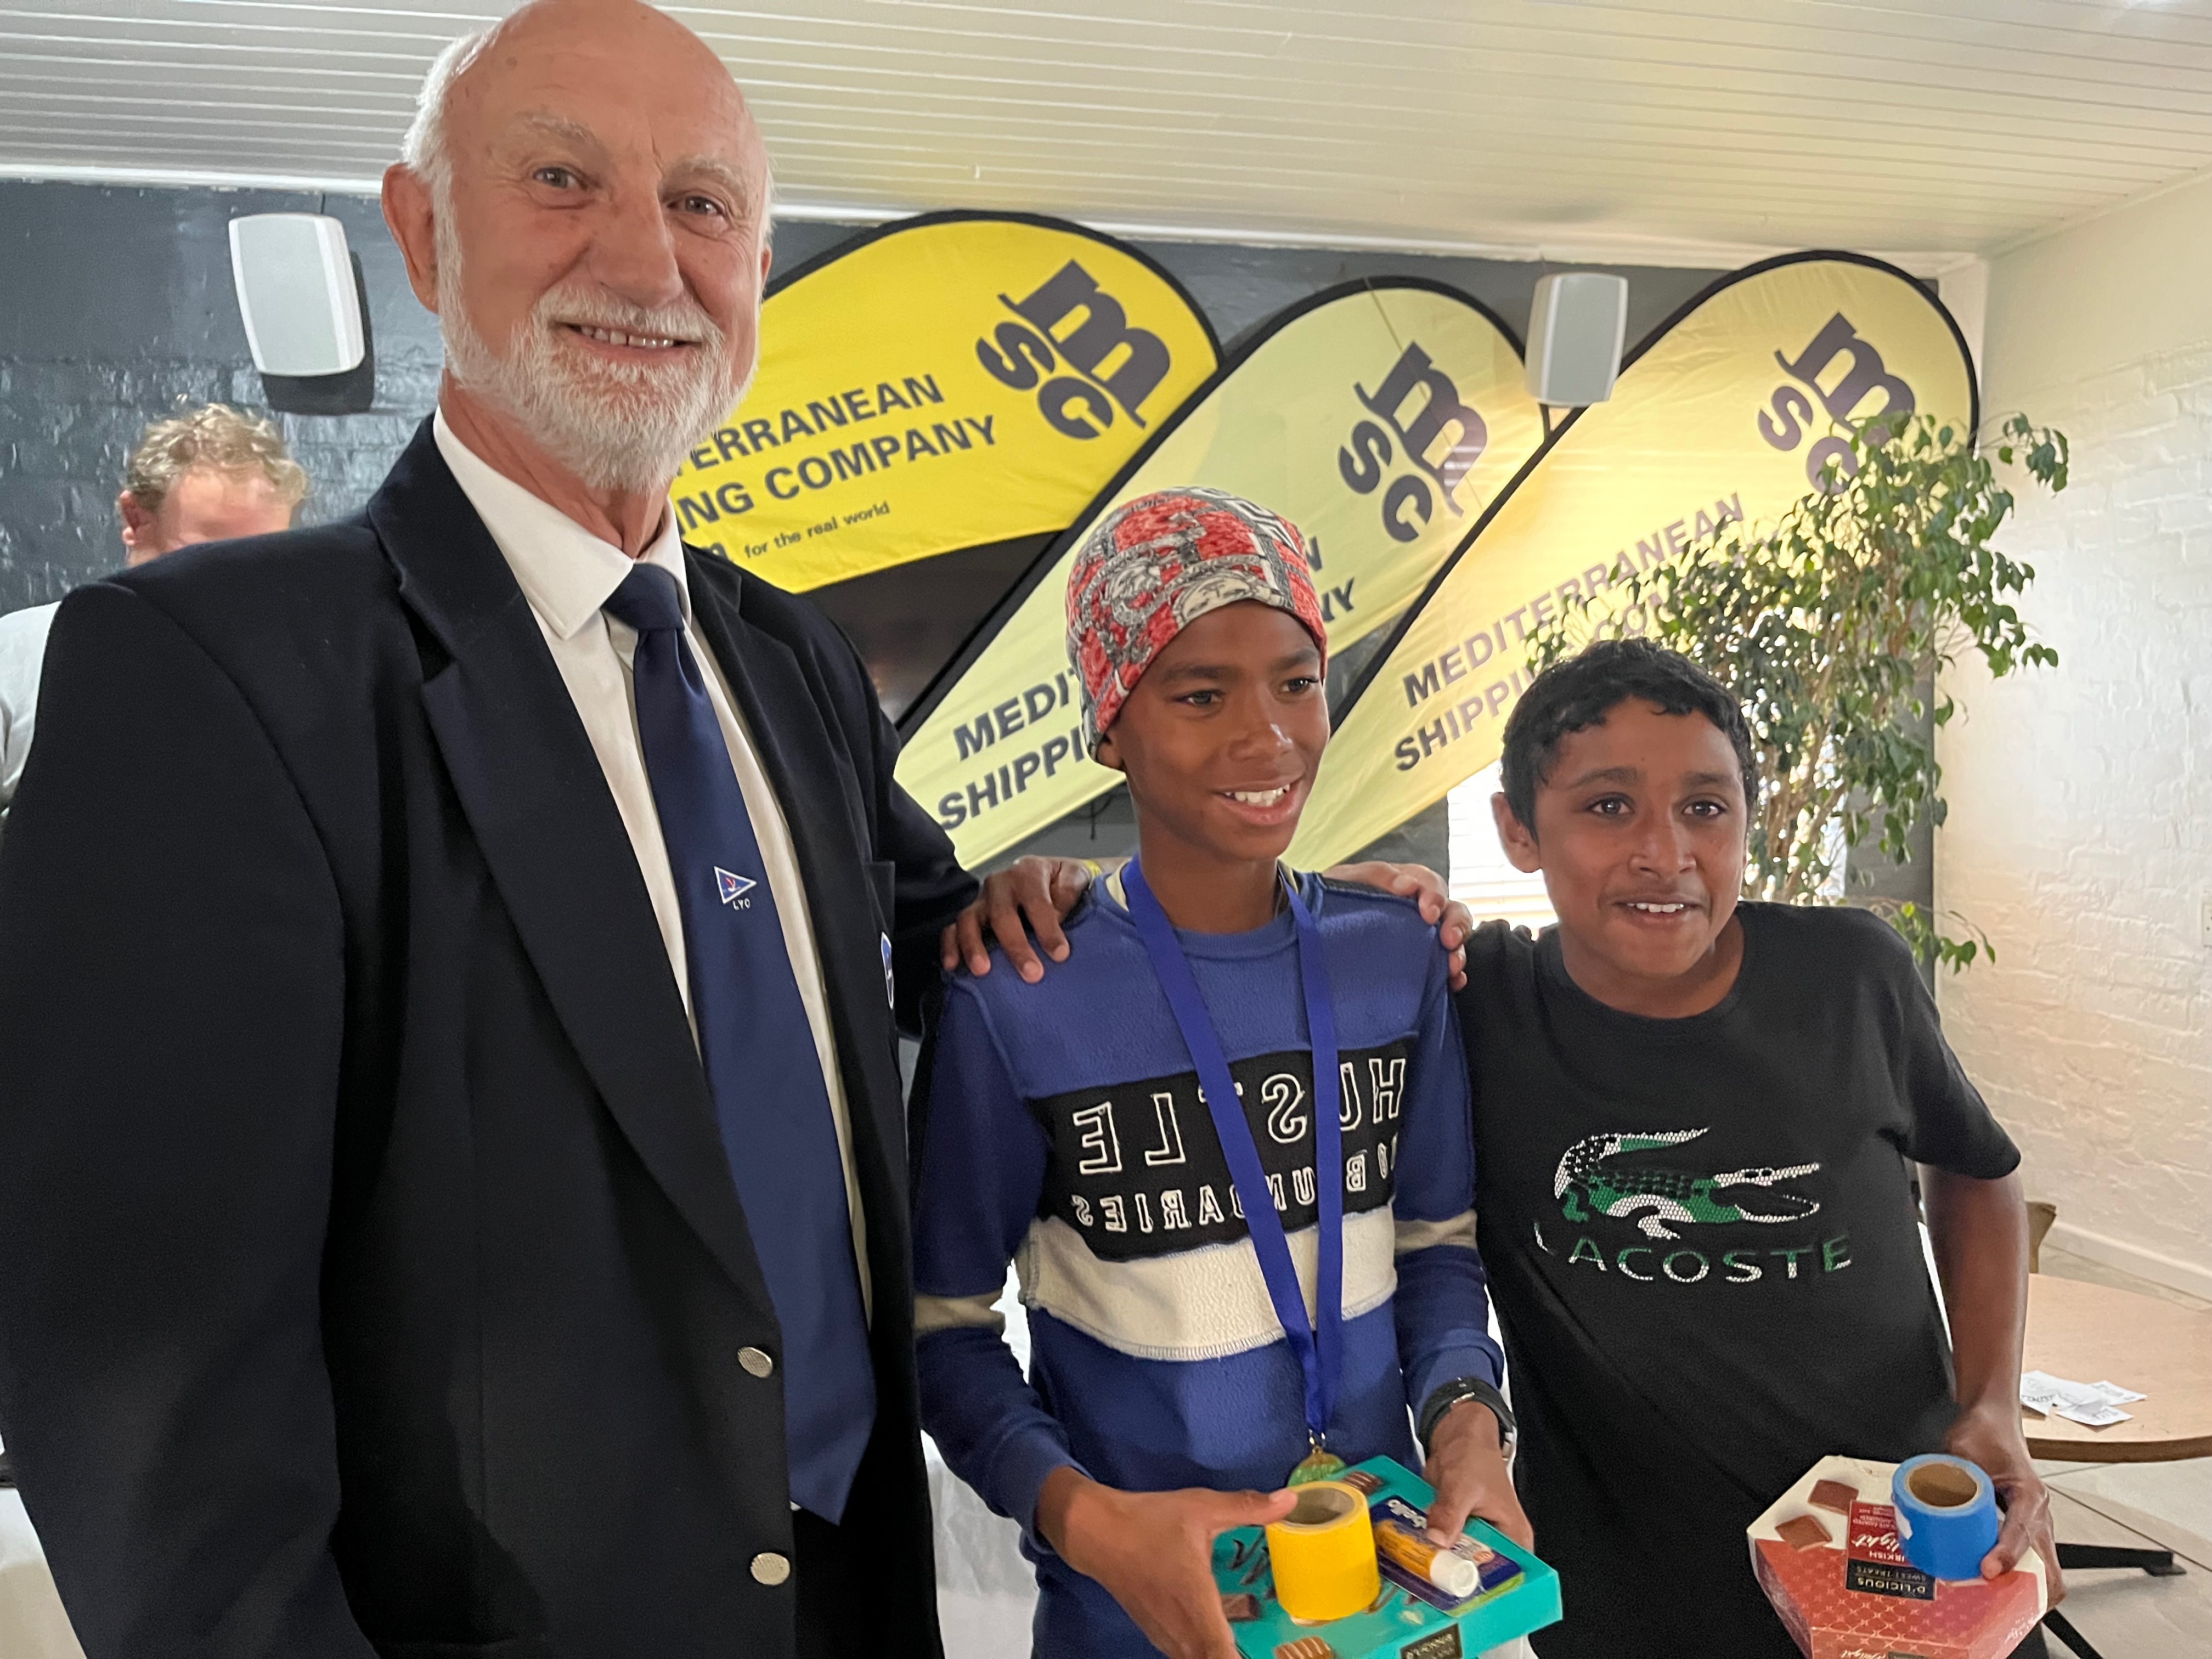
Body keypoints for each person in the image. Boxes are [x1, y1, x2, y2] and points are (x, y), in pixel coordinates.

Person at [0, 8, 1467, 1656]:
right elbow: (145, 1399)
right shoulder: (216, 678)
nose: (647, 260)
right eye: (563, 180)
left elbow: (945, 930)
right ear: (421, 231)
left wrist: (1263, 909)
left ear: (756, 268)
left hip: (853, 1598)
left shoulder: (785, 664)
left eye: (701, 204)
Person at [911, 489, 1529, 1659]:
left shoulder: (1394, 959)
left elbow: (1437, 1248)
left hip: (1385, 1596)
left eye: (1297, 682)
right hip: (1134, 1619)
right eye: (1201, 695)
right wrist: (1087, 1520)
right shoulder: (1019, 994)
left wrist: (1465, 1423)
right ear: (1110, 727)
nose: (1269, 737)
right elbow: (942, 1330)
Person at [1458, 637, 2061, 1658]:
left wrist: (1992, 1403)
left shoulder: (1851, 976)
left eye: (1705, 806)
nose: (1666, 852)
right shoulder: (1478, 1004)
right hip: (1632, 1584)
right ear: (1518, 829)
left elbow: (1977, 1167)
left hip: (1902, 1545)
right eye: (1609, 806)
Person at [0, 403, 304, 838]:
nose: (237, 589)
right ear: (136, 518)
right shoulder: (16, 659)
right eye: (209, 557)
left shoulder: (297, 688)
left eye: (264, 563)